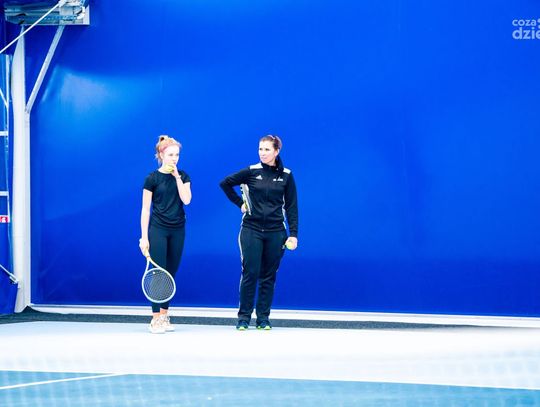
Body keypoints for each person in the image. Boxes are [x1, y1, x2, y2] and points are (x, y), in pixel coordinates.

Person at [220, 135, 298, 331]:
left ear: (277, 151)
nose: (262, 153)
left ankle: (263, 318)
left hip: (276, 232)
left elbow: (292, 207)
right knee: (250, 273)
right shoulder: (251, 171)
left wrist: (293, 234)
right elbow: (225, 183)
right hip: (251, 229)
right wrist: (240, 203)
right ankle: (243, 318)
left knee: (268, 276)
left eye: (267, 149)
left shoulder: (287, 175)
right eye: (260, 149)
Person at [139, 135, 192, 334]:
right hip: (158, 230)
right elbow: (145, 210)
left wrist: (177, 177)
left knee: (170, 273)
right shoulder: (151, 179)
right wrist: (144, 238)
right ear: (161, 155)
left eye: (177, 155)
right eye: (170, 155)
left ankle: (164, 315)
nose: (174, 158)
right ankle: (155, 319)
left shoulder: (184, 176)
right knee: (159, 274)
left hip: (178, 230)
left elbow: (186, 200)